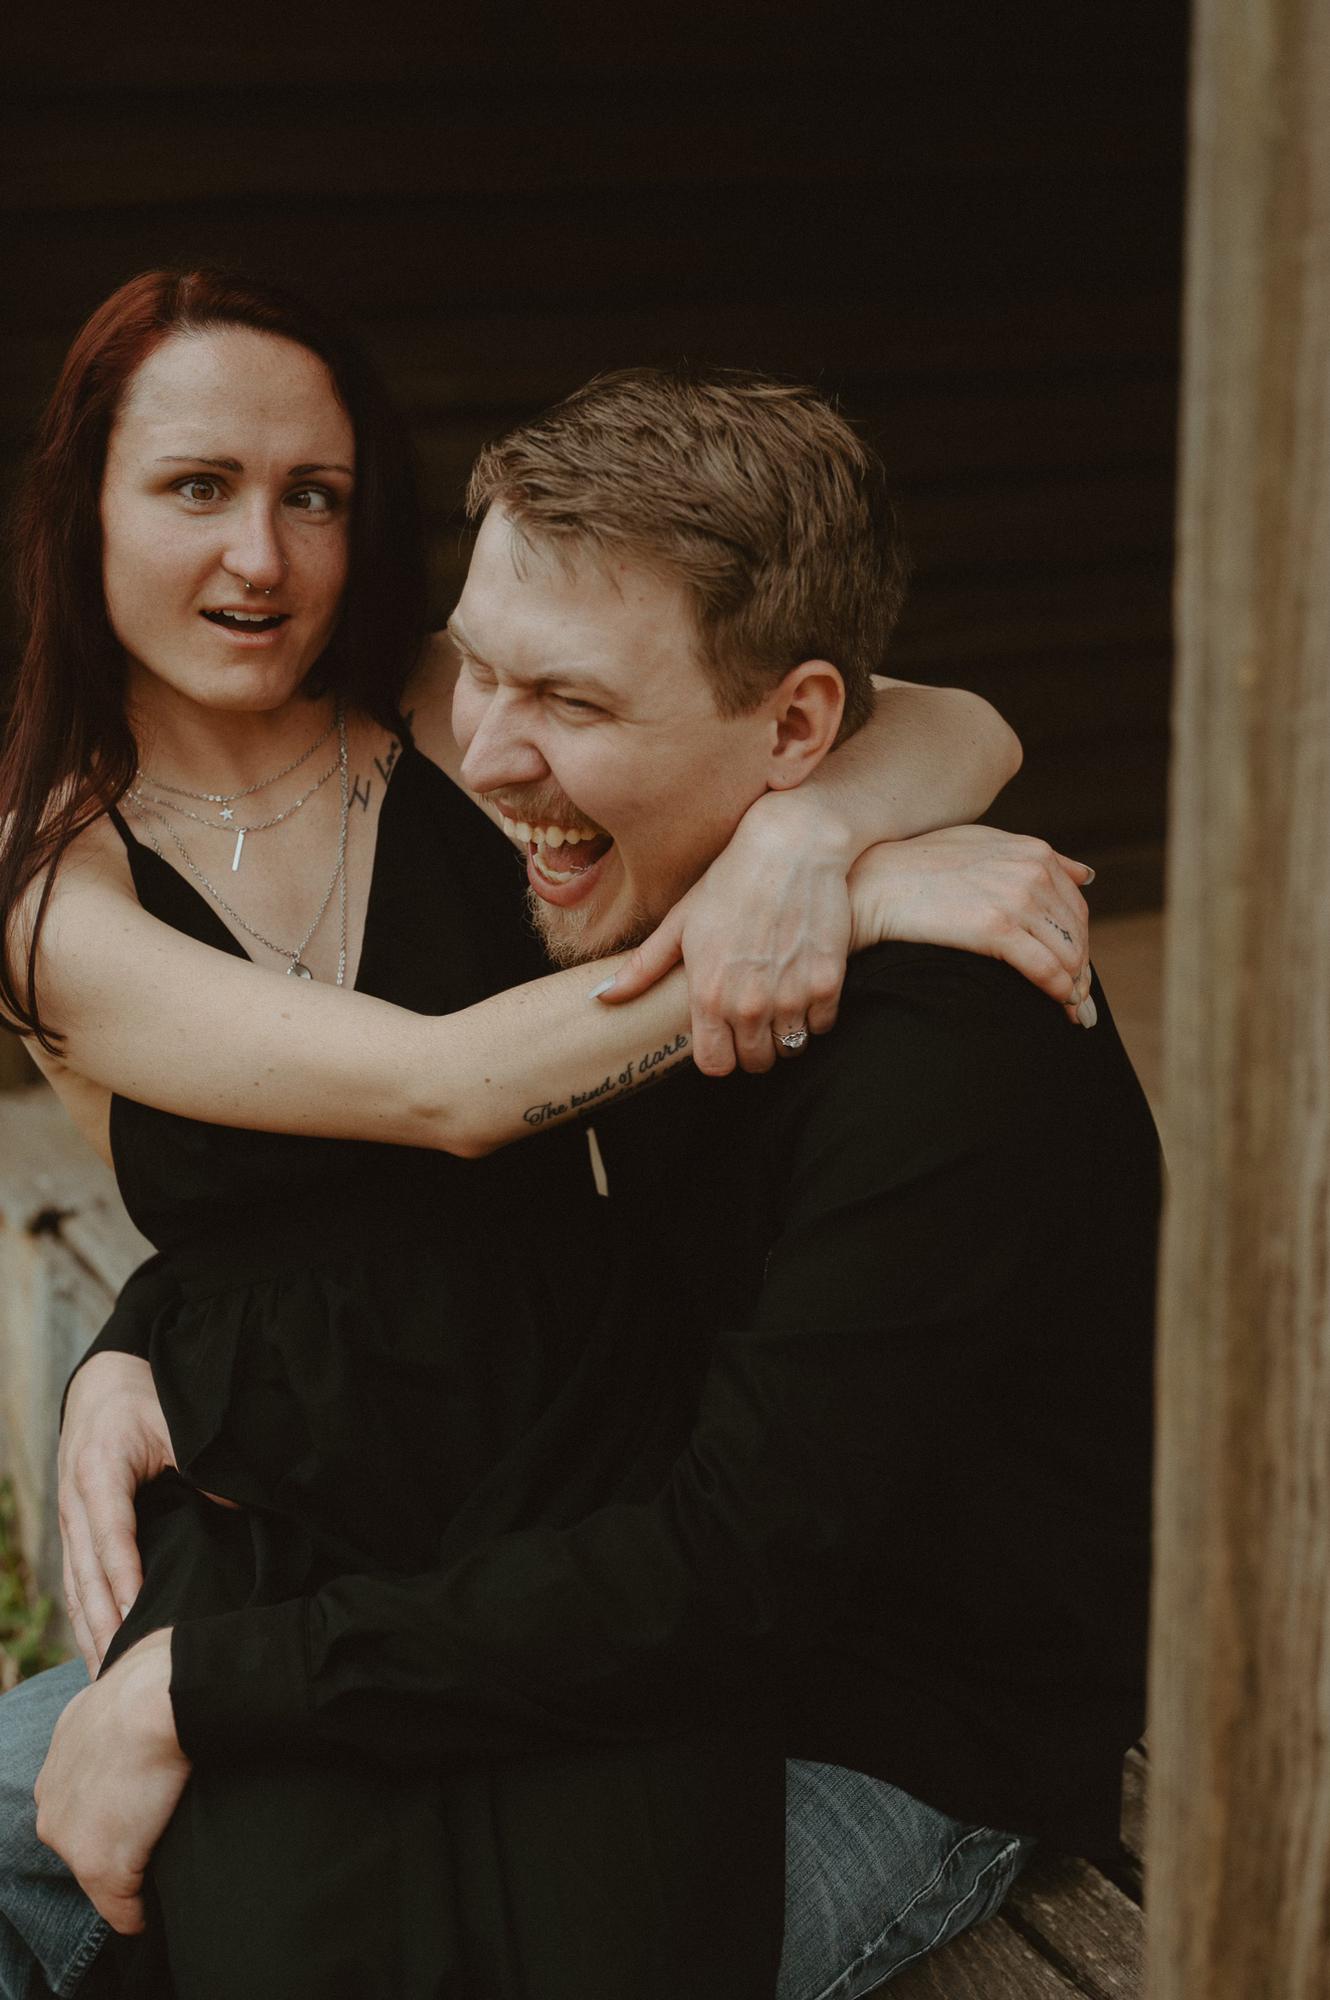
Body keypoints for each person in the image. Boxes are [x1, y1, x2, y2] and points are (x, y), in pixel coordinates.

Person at [0, 275, 1101, 1999]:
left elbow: (963, 721)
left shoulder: (435, 722)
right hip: (368, 1516)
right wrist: (139, 1332)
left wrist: (815, 850)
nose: (261, 557)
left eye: (315, 494)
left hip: (670, 1574)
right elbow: (443, 1100)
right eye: (195, 486)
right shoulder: (57, 858)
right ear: (83, 507)